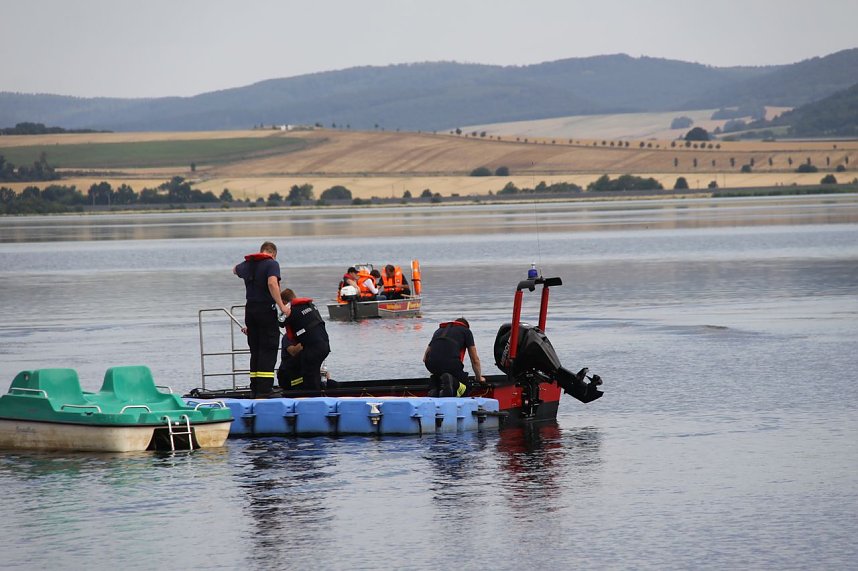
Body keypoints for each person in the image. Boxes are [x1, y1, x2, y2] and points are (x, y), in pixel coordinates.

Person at [233, 241, 291, 397]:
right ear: (273, 253)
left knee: (256, 349)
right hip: (265, 309)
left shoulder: (247, 264)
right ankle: (265, 390)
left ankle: (256, 388)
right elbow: (272, 283)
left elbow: (234, 270)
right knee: (268, 347)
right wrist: (282, 306)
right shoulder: (271, 264)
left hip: (250, 310)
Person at [277, 288, 331, 392]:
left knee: (309, 376)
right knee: (313, 372)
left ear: (283, 302)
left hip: (312, 348)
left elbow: (279, 322)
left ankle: (311, 399)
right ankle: (317, 393)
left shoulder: (290, 309)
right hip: (325, 345)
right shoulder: (310, 306)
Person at [423, 317, 485, 397]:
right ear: (466, 326)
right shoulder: (466, 331)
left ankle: (435, 388)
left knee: (440, 377)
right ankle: (451, 381)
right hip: (451, 365)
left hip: (431, 365)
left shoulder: (439, 331)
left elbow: (425, 358)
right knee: (466, 388)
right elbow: (474, 359)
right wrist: (479, 378)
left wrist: (438, 370)